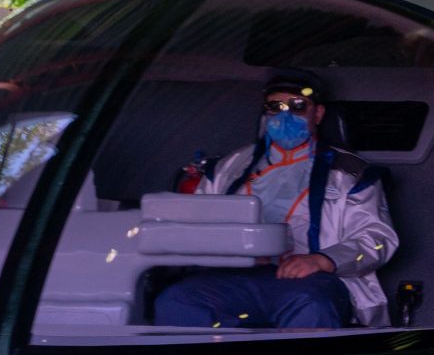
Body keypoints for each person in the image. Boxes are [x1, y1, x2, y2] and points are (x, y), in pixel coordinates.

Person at [152, 75, 399, 329]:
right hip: (234, 276)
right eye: (275, 107)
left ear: (318, 114)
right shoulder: (229, 168)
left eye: (297, 106)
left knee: (310, 305)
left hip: (315, 279)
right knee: (178, 300)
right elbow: (196, 226)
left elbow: (378, 240)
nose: (286, 115)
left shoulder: (351, 173)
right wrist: (232, 251)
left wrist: (322, 260)